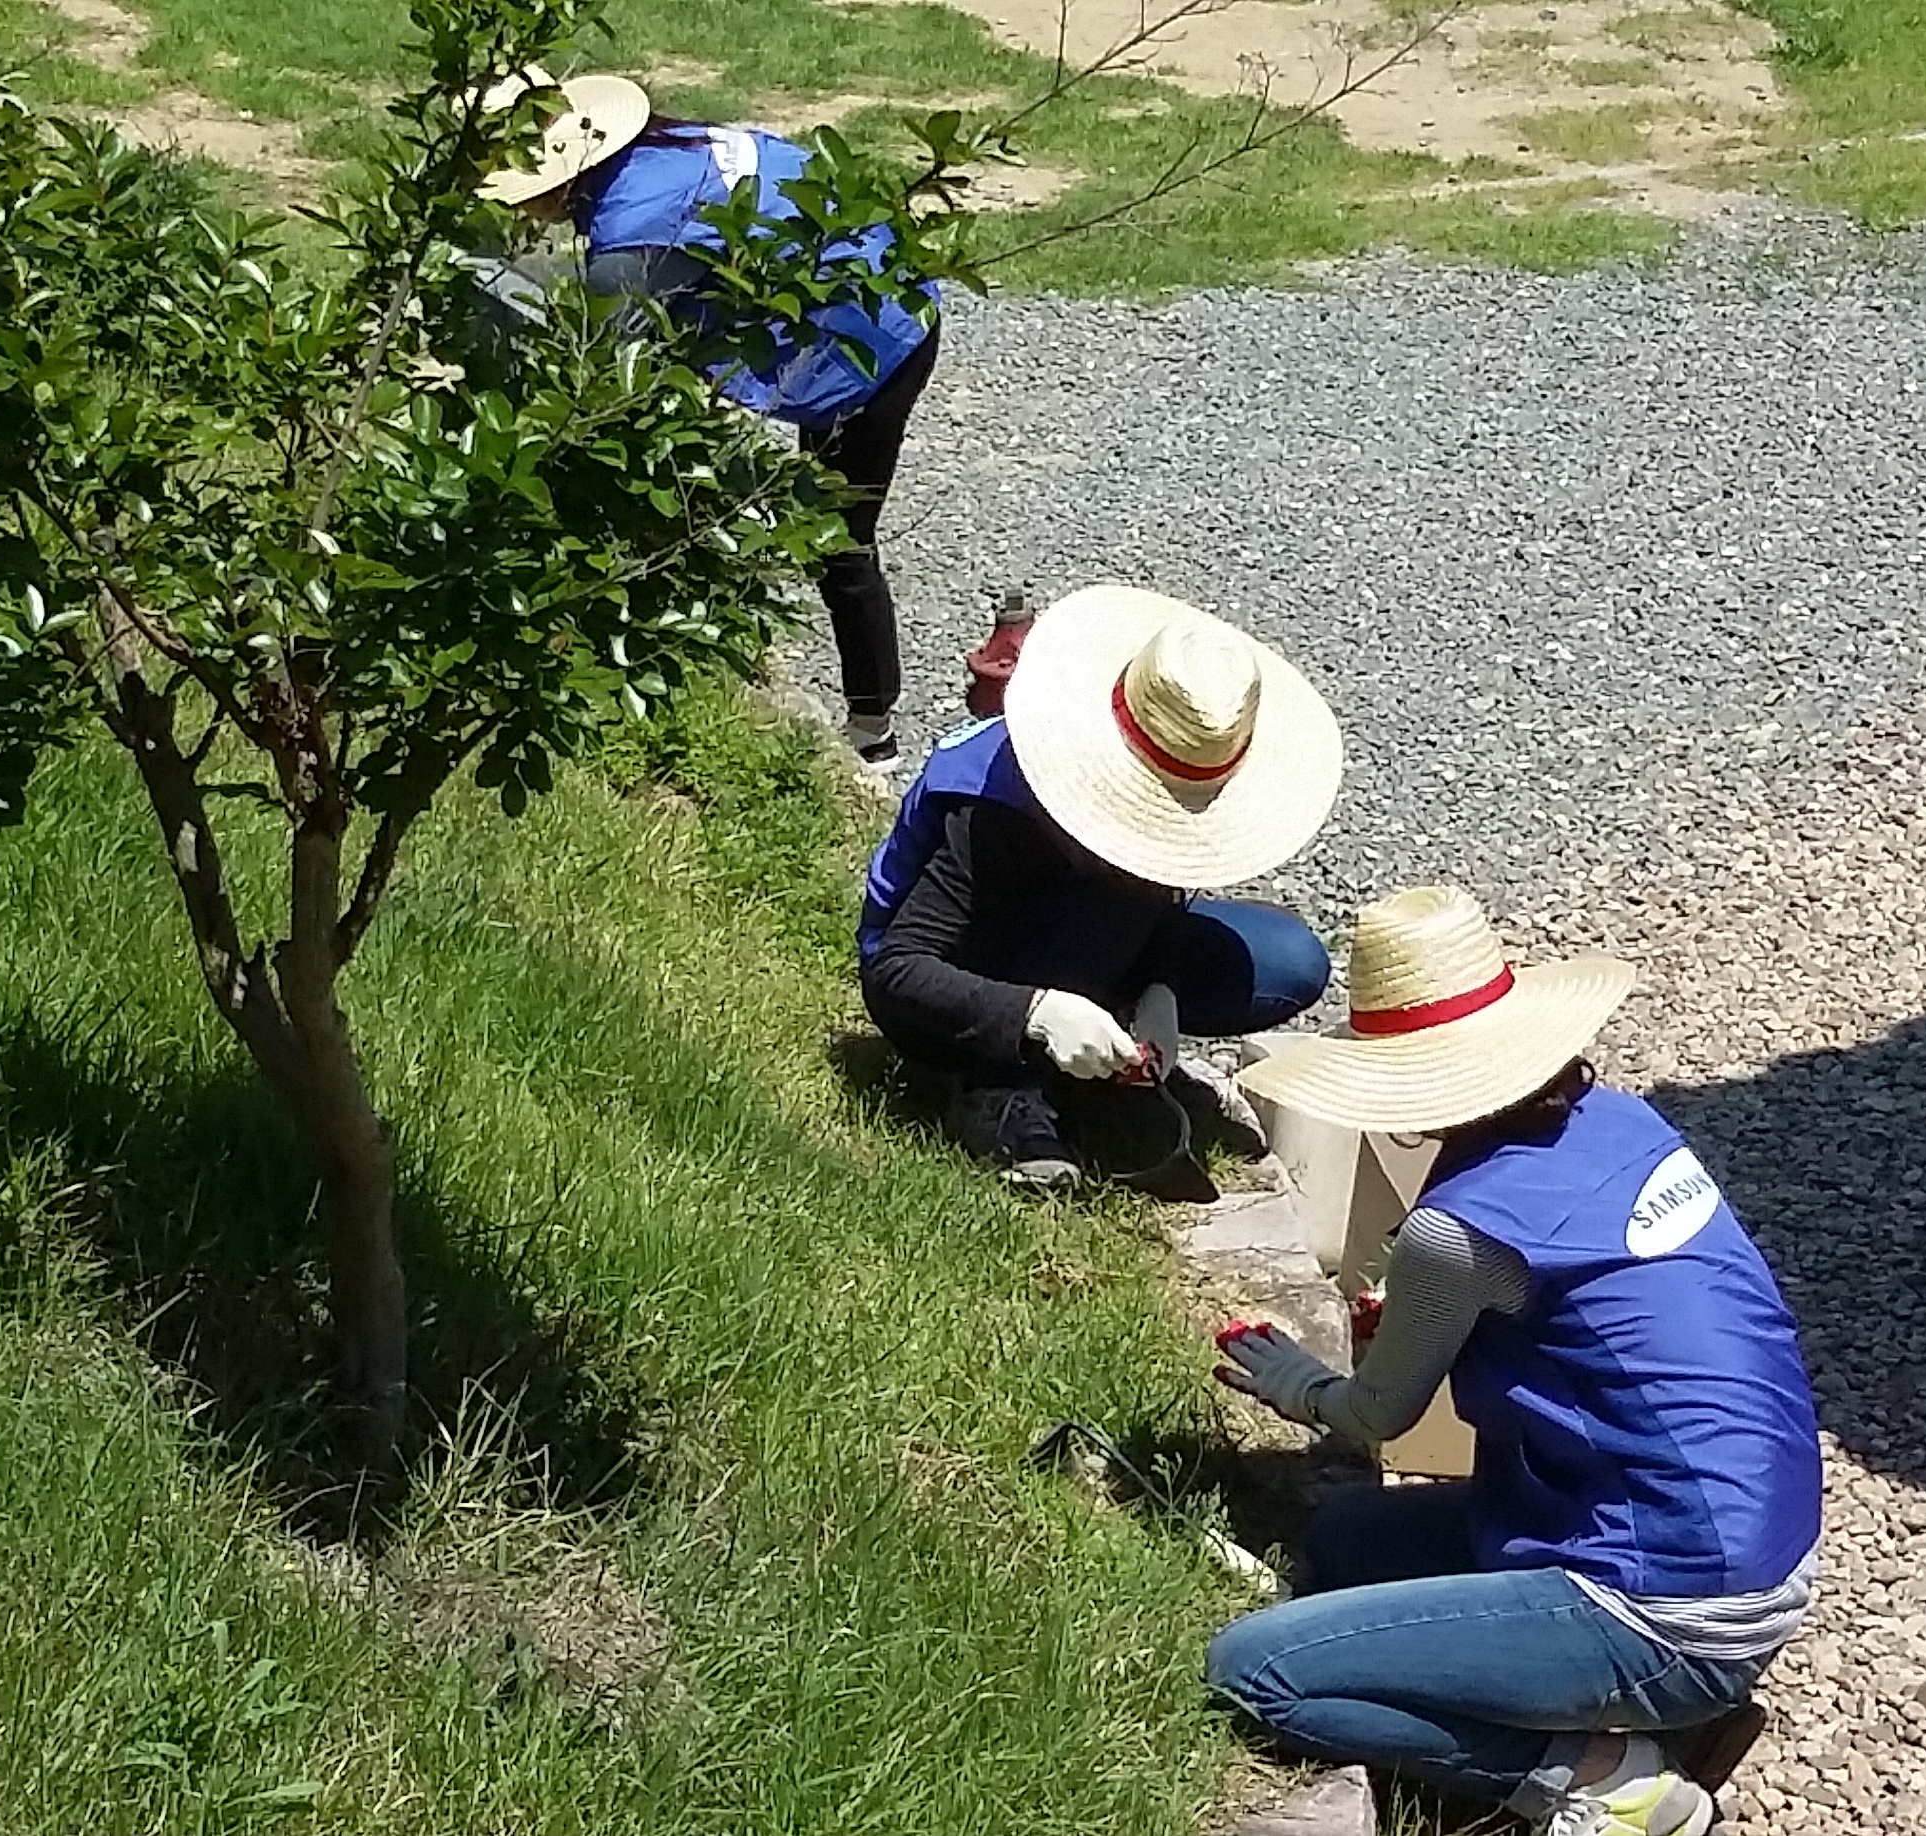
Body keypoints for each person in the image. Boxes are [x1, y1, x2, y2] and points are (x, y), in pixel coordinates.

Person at [1205, 886, 1824, 1836]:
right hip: (1743, 1547)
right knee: (1341, 1543)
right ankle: (1607, 1705)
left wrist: (1299, 1381)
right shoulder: (1626, 1123)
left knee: (1254, 1672)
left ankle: (1600, 1777)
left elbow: (1380, 1416)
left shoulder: (1457, 1231)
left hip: (1665, 1599)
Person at [479, 71, 942, 763]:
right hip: (871, 287)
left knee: (839, 544)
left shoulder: (638, 226)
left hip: (877, 343)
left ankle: (873, 730)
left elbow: (603, 367)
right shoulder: (664, 153)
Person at [858, 584, 1341, 1196]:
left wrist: (1157, 988)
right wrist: (1037, 1012)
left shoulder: (1173, 766)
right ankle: (999, 1081)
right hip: (962, 961)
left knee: (1289, 961)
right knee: (1074, 944)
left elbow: (1159, 895)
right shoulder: (991, 812)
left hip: (1093, 925)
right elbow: (896, 970)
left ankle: (1101, 1037)